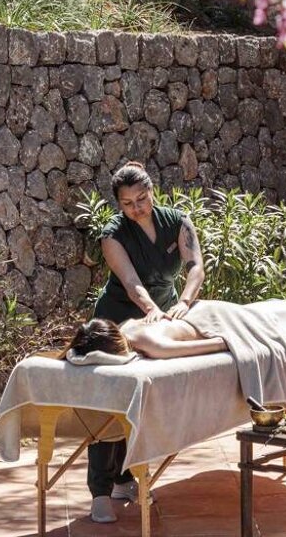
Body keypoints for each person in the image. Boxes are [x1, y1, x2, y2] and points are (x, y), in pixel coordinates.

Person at [86, 161, 205, 524]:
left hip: (165, 315)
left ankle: (130, 476)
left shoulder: (178, 222)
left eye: (142, 198)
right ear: (118, 205)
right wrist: (153, 310)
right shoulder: (113, 235)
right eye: (128, 203)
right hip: (118, 318)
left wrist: (183, 303)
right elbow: (132, 282)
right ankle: (101, 490)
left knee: (145, 397)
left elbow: (196, 266)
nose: (137, 207)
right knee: (108, 400)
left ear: (152, 190)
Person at [65, 314, 227, 362]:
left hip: (212, 320)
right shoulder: (124, 326)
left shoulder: (153, 345)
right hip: (198, 312)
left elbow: (219, 343)